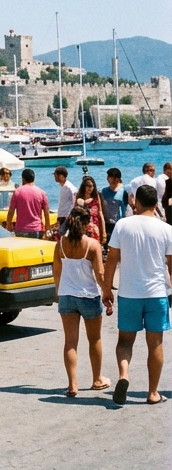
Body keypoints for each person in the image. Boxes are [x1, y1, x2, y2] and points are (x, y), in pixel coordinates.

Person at [101, 184, 172, 405]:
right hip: (157, 293)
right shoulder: (167, 229)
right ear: (156, 204)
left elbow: (111, 259)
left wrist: (106, 288)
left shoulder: (123, 225)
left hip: (129, 293)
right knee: (156, 343)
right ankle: (152, 393)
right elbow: (171, 265)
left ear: (136, 202)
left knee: (125, 341)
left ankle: (124, 375)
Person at [53, 205, 109, 397]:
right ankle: (97, 379)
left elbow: (57, 271)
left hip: (67, 296)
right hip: (88, 296)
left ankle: (72, 384)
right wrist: (107, 294)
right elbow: (100, 274)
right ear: (86, 224)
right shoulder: (92, 245)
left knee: (70, 342)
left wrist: (57, 292)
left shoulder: (61, 243)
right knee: (94, 340)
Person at [6, 169, 51, 238]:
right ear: (33, 179)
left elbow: (11, 211)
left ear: (23, 179)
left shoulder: (17, 192)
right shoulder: (41, 193)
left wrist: (9, 224)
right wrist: (47, 228)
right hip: (36, 229)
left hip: (21, 229)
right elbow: (46, 212)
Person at [101, 168, 129, 246]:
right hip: (107, 223)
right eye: (111, 177)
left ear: (119, 179)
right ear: (107, 179)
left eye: (115, 178)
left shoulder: (124, 191)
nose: (113, 180)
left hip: (119, 224)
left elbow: (128, 207)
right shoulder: (104, 191)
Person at [74, 176, 106, 244]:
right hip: (81, 230)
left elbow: (100, 213)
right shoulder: (79, 197)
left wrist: (103, 232)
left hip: (94, 229)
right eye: (88, 186)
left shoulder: (96, 197)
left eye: (92, 186)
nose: (90, 188)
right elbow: (74, 213)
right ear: (84, 187)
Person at [53, 166, 77, 230]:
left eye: (55, 175)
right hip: (62, 215)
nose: (54, 177)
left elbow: (74, 202)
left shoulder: (69, 187)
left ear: (61, 176)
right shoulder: (63, 186)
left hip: (66, 216)